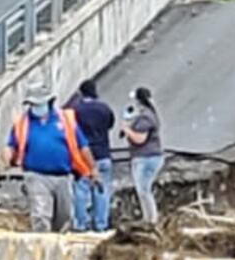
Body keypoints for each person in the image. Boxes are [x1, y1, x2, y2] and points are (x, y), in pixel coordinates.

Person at [3, 81, 95, 232]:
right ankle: (41, 246)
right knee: (41, 215)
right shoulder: (23, 123)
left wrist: (93, 169)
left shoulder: (65, 120)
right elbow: (12, 144)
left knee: (64, 217)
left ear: (49, 102)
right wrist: (8, 153)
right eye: (32, 104)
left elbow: (82, 146)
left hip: (63, 176)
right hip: (36, 176)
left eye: (39, 103)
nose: (36, 108)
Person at [66, 76, 118, 230]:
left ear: (81, 93)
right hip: (103, 154)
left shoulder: (76, 110)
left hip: (82, 158)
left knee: (81, 190)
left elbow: (69, 129)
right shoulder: (104, 109)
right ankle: (101, 224)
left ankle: (81, 224)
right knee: (101, 189)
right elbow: (110, 125)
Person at [121, 86, 164, 224]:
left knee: (144, 189)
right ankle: (149, 218)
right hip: (149, 157)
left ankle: (151, 219)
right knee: (143, 189)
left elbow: (140, 139)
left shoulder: (145, 117)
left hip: (146, 157)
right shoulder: (149, 114)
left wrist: (127, 130)